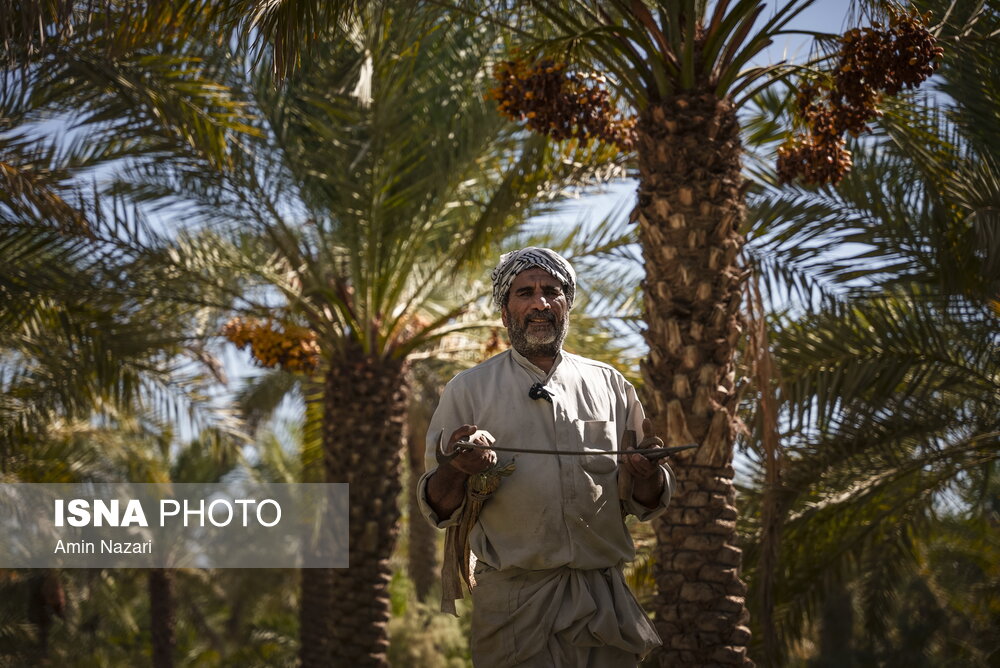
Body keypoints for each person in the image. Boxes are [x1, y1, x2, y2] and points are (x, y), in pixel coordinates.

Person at [417, 247, 675, 667]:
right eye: (525, 293)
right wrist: (458, 469)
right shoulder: (468, 390)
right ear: (505, 312)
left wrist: (646, 473)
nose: (540, 303)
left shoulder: (610, 385)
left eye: (551, 291)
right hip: (515, 604)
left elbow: (645, 501)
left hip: (602, 600)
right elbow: (437, 507)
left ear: (566, 305)